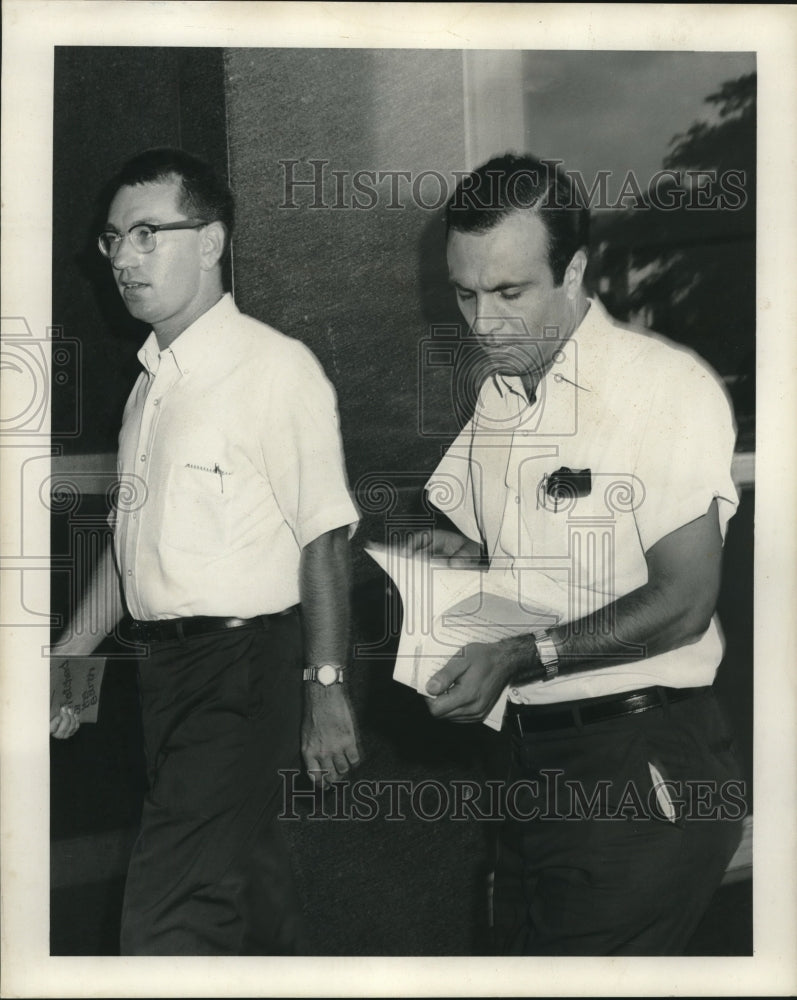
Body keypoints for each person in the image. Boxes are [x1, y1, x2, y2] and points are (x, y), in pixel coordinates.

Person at [415, 153, 745, 955]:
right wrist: (454, 557)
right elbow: (515, 553)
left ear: (573, 269)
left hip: (637, 764)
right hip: (528, 768)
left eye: (508, 293)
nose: (482, 324)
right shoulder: (501, 395)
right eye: (465, 293)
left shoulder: (661, 387)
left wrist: (523, 655)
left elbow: (683, 598)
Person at [49, 147, 361, 955]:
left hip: (243, 671)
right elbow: (135, 547)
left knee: (167, 919)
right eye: (113, 239)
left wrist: (326, 691)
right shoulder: (151, 384)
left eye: (148, 233)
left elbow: (324, 538)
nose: (123, 257)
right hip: (166, 676)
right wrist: (75, 656)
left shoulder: (273, 369)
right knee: (251, 900)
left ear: (213, 242)